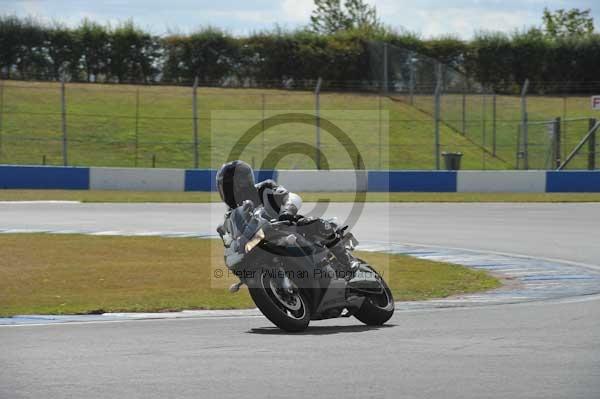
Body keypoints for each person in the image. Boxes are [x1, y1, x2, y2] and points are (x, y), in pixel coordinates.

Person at [216, 160, 359, 272]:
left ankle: (346, 261)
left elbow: (288, 197)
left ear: (242, 182)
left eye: (229, 186)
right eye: (224, 187)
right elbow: (232, 239)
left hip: (288, 227)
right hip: (261, 242)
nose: (227, 192)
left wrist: (287, 211)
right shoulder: (231, 215)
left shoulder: (264, 189)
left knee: (316, 224)